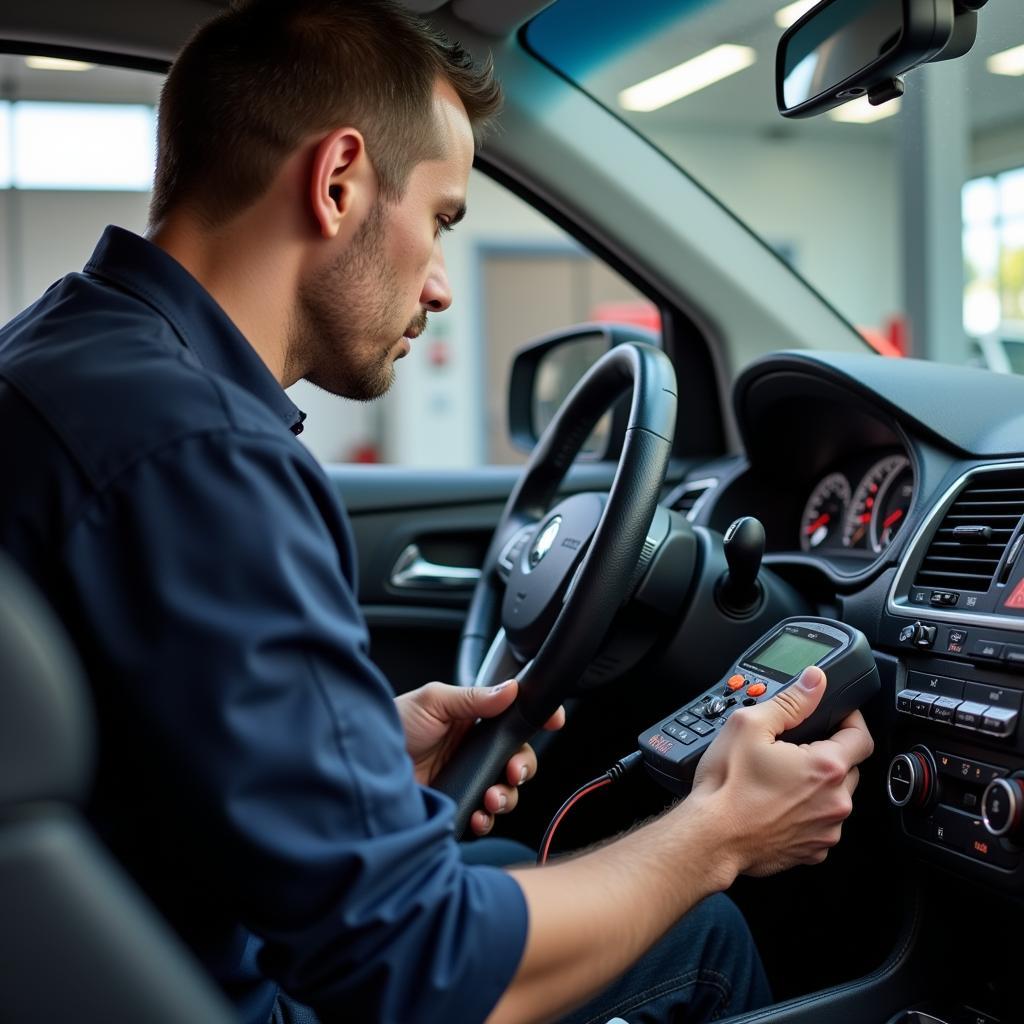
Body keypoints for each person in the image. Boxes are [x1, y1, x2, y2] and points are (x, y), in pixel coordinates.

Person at [0, 2, 874, 1023]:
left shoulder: (64, 359)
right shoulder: (205, 456)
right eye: (443, 219)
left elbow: (137, 755)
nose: (441, 287)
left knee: (504, 857)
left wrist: (353, 746)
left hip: (154, 948)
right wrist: (721, 829)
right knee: (706, 932)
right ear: (337, 183)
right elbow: (414, 964)